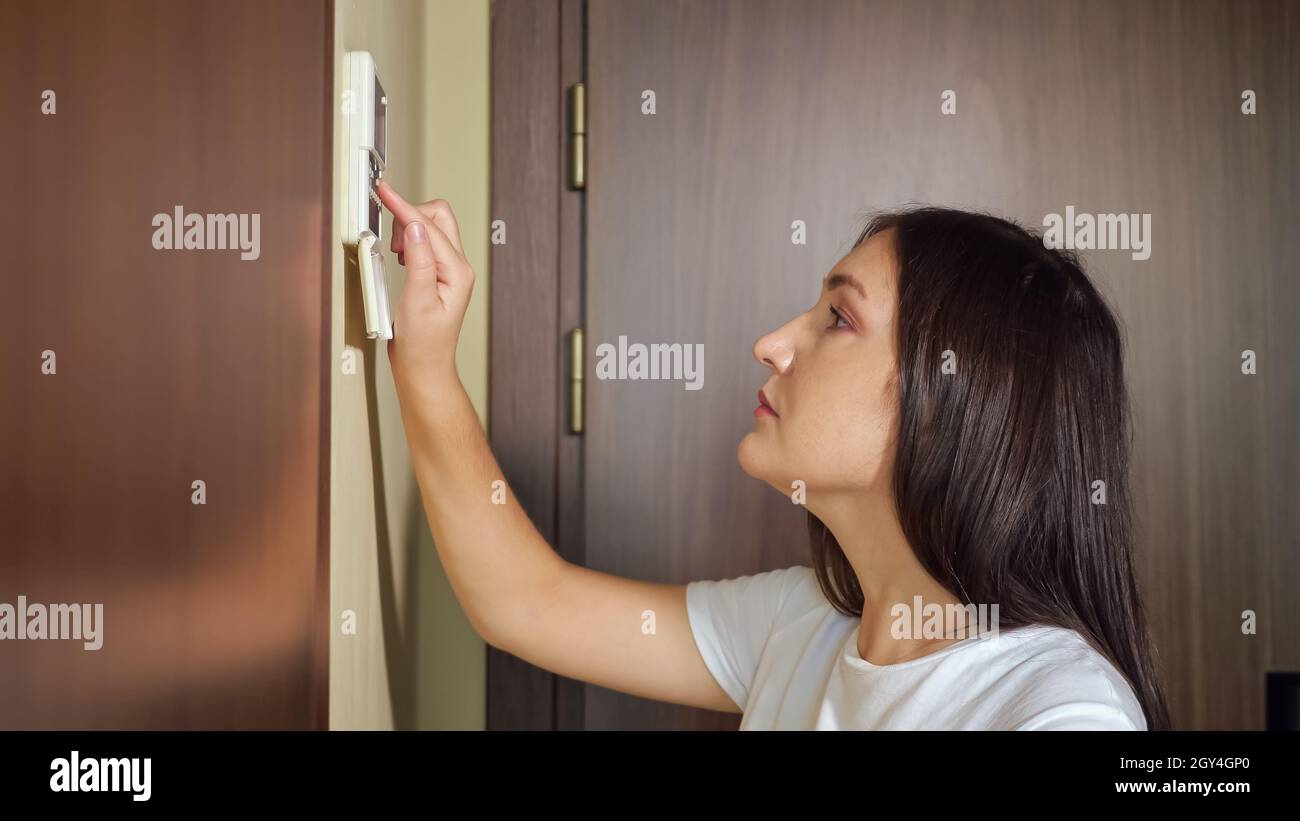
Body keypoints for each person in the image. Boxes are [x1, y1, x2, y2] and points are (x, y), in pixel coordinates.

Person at [375, 180, 1170, 730]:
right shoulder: (806, 624)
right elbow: (526, 601)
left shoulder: (1062, 708)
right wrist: (425, 367)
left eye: (838, 318)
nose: (772, 344)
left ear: (954, 393)